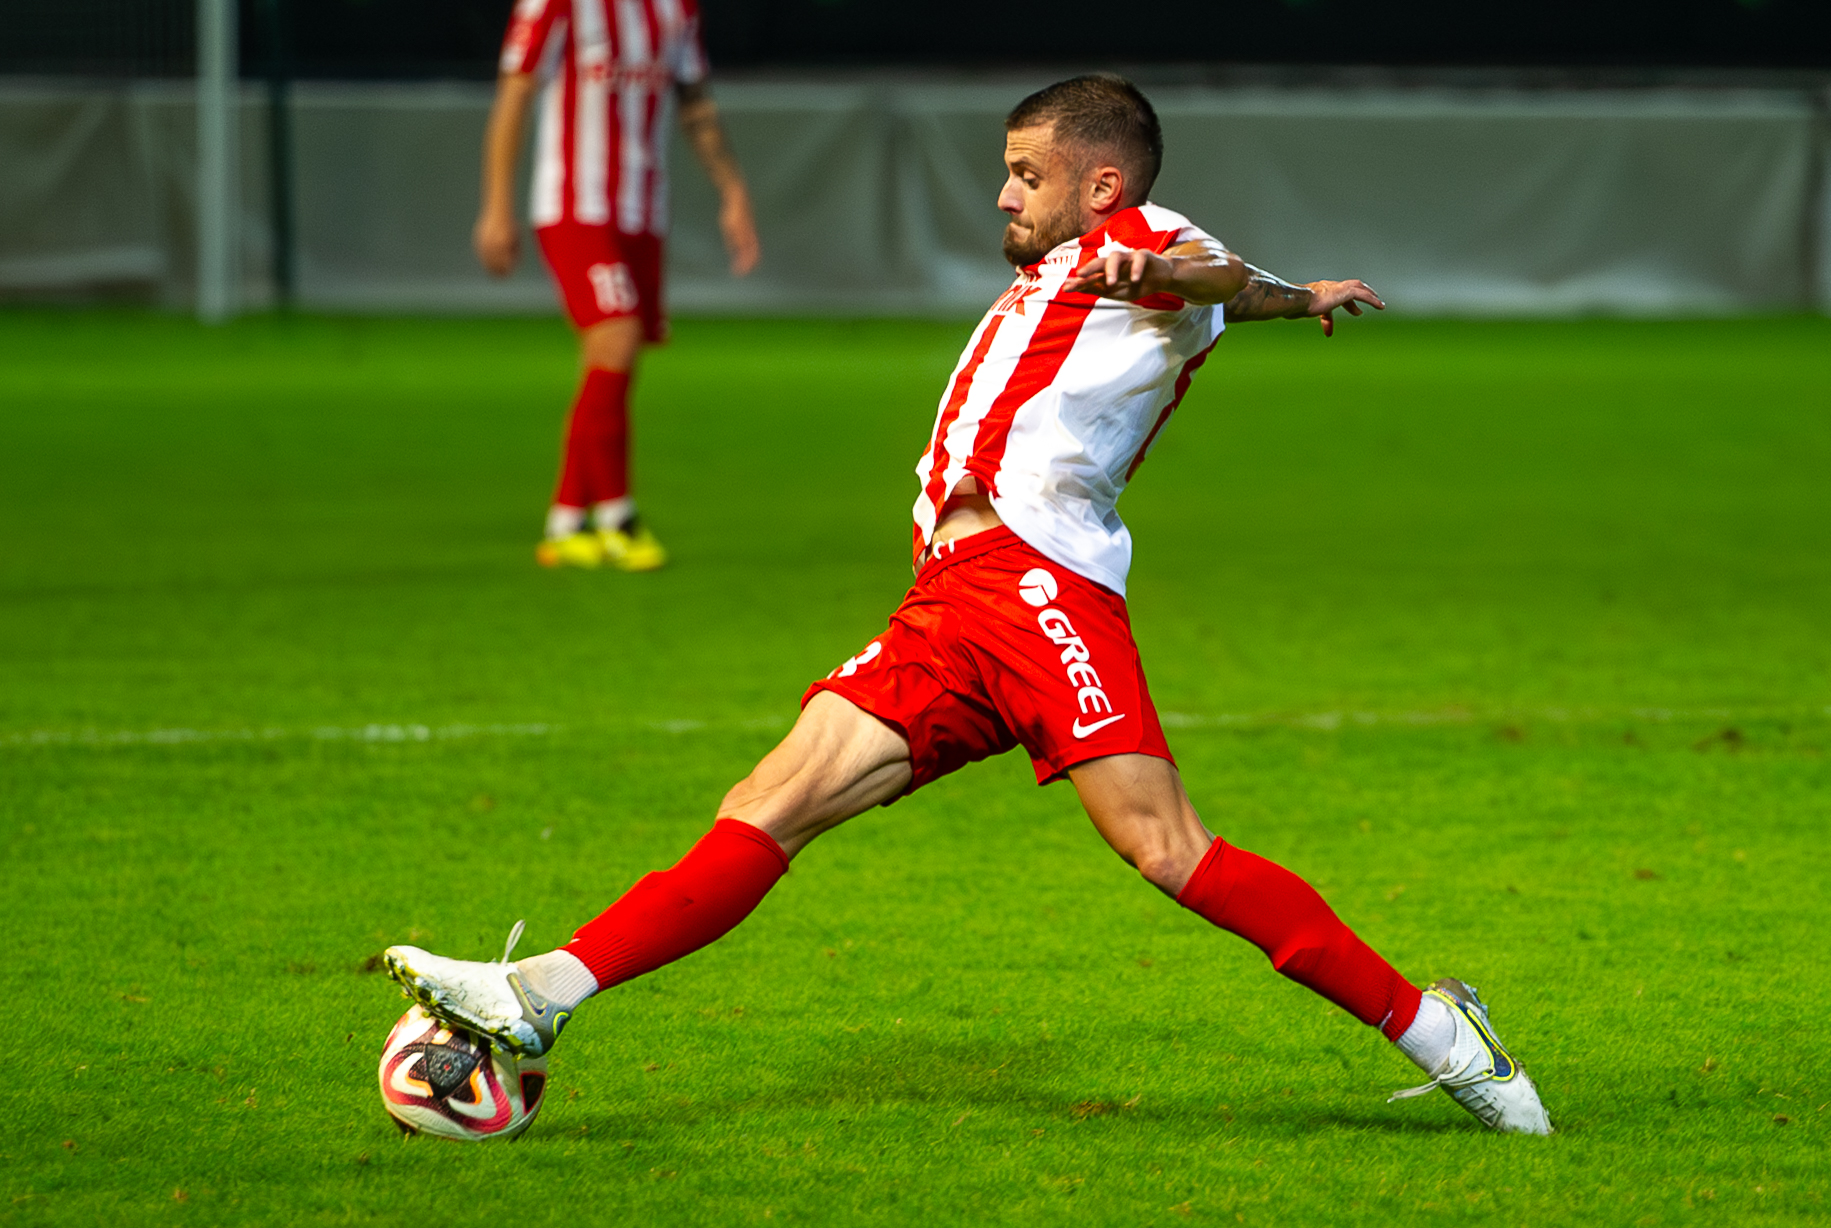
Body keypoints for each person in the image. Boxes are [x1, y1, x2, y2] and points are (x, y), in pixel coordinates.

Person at [389, 74, 1552, 1134]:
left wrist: (1180, 277)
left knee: (1165, 846)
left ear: (1102, 186)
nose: (1005, 193)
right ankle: (539, 994)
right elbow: (1239, 298)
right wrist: (1302, 299)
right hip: (951, 603)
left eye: (1027, 175)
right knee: (768, 802)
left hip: (1038, 584)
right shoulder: (1073, 266)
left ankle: (1447, 1039)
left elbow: (1210, 280)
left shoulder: (1143, 239)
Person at [478, 0, 761, 570]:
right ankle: (618, 517)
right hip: (573, 204)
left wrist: (731, 190)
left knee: (613, 358)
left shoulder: (675, 9)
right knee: (616, 334)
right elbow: (515, 92)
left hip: (642, 209)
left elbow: (695, 101)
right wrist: (496, 206)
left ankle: (566, 520)